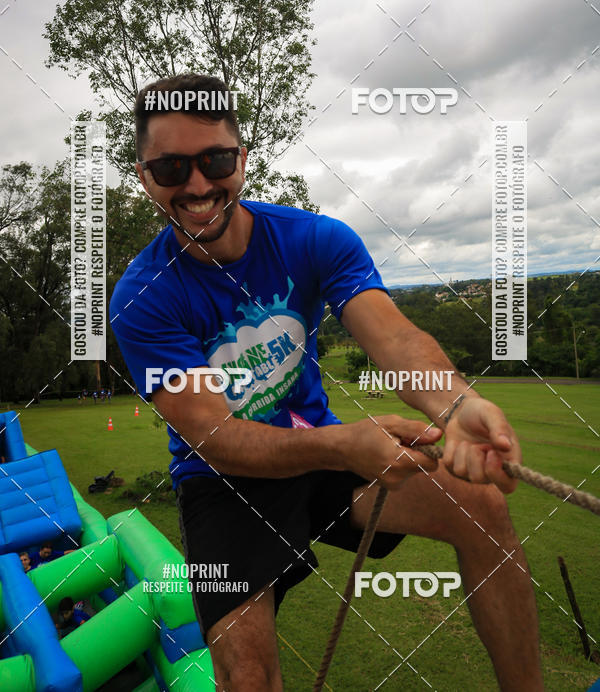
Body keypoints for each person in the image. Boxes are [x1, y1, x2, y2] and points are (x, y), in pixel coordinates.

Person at [110, 73, 543, 692]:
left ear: (243, 158)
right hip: (221, 484)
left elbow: (393, 339)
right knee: (247, 673)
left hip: (318, 448)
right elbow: (214, 436)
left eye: (215, 160)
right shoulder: (141, 296)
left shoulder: (316, 239)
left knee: (482, 505)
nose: (199, 184)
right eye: (172, 168)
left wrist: (456, 406)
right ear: (144, 175)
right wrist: (344, 444)